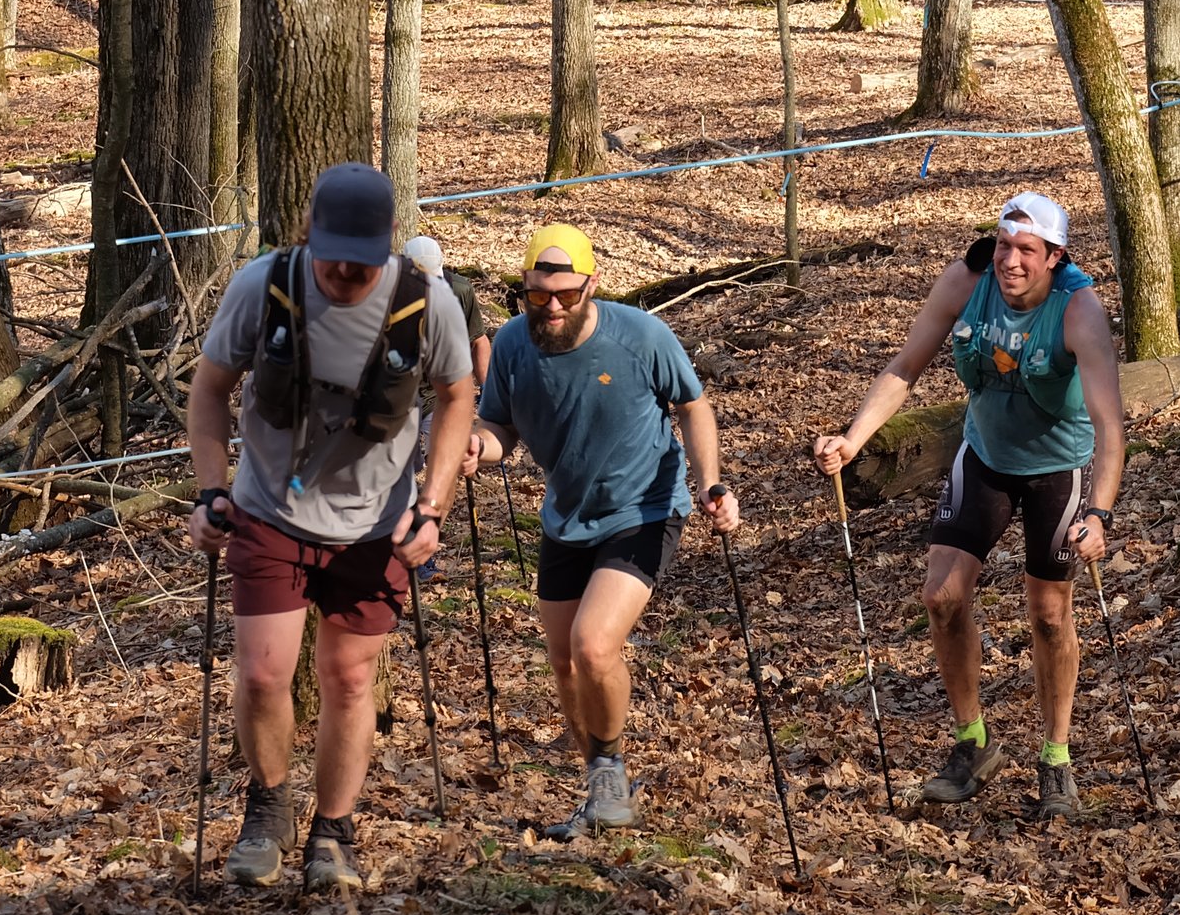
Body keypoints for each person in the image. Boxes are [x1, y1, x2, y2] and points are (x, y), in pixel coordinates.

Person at [186, 163, 477, 890]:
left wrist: (432, 504)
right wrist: (210, 490)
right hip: (269, 510)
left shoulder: (426, 302)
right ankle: (268, 810)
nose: (346, 271)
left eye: (362, 258)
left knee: (349, 678)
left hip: (376, 523)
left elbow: (457, 395)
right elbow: (210, 388)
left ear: (388, 242)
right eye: (334, 254)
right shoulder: (264, 286)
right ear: (310, 232)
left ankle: (334, 834)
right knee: (262, 674)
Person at [811, 193, 1127, 821]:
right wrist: (853, 438)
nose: (1010, 261)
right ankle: (973, 743)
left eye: (1026, 251)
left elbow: (1110, 428)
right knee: (942, 597)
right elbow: (906, 365)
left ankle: (1056, 757)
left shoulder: (1079, 310)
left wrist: (1099, 514)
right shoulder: (967, 279)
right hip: (984, 457)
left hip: (1056, 471)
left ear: (1055, 256)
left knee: (1048, 614)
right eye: (1004, 246)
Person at [463, 223, 741, 838]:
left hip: (644, 508)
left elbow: (693, 404)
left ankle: (610, 772)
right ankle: (601, 790)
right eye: (538, 295)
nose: (552, 307)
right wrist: (478, 446)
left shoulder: (640, 335)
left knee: (592, 645)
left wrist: (711, 482)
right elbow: (499, 427)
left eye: (566, 294)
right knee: (564, 664)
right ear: (524, 288)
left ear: (592, 285)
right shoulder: (511, 346)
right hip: (567, 515)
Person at [404, 234, 494, 387]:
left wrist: (488, 391)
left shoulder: (459, 290)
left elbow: (478, 341)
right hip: (400, 389)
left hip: (443, 388)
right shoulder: (389, 293)